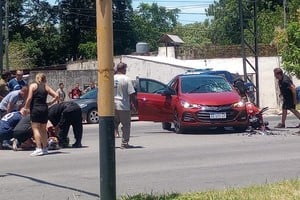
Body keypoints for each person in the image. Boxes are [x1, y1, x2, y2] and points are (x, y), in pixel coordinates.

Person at [24, 73, 58, 156]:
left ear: (37, 78)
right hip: (44, 109)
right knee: (43, 129)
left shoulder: (33, 86)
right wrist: (50, 103)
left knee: (36, 129)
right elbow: (56, 95)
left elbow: (29, 98)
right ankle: (45, 148)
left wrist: (26, 107)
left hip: (35, 109)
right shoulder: (46, 87)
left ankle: (38, 148)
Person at [114, 62, 137, 149]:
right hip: (123, 105)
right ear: (122, 69)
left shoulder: (111, 78)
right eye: (125, 69)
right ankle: (124, 144)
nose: (126, 70)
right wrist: (135, 106)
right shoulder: (127, 79)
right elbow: (132, 94)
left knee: (113, 125)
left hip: (112, 106)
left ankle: (111, 143)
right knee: (126, 125)